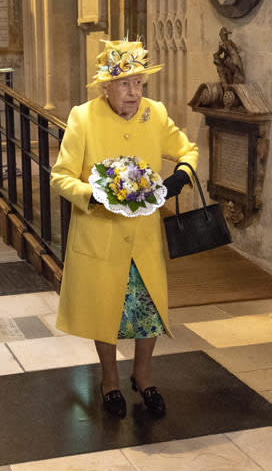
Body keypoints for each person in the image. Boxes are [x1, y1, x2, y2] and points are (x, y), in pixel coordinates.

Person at [50, 39, 198, 418]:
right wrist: (93, 195)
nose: (134, 93)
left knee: (148, 309)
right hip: (101, 233)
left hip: (144, 235)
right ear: (106, 87)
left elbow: (188, 149)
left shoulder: (155, 113)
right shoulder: (84, 117)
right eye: (125, 84)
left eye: (139, 84)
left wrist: (181, 175)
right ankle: (110, 380)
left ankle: (144, 376)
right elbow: (61, 177)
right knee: (107, 310)